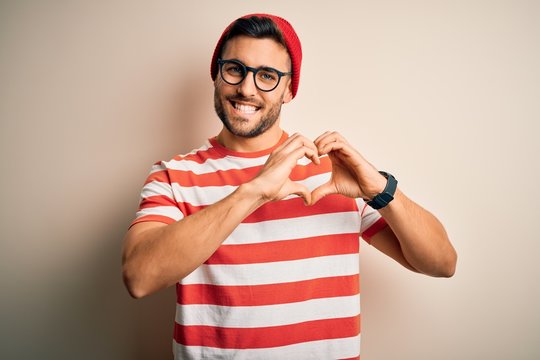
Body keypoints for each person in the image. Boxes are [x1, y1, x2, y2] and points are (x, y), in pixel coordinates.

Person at [122, 13, 457, 359]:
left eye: (267, 75)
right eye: (235, 68)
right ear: (217, 74)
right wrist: (254, 191)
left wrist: (380, 190)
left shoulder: (332, 175)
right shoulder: (174, 175)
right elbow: (139, 278)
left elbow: (441, 263)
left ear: (289, 89)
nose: (247, 88)